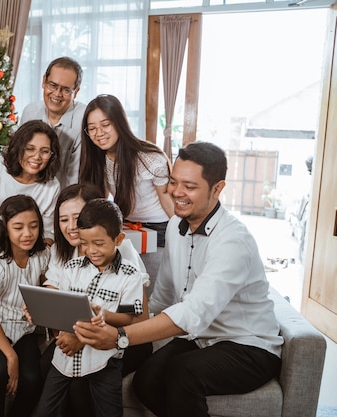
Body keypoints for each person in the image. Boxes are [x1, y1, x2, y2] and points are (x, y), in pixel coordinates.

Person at [74, 142, 284, 417]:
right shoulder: (175, 225)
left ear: (217, 189)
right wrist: (114, 315)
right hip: (200, 339)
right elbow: (162, 297)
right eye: (173, 182)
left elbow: (192, 312)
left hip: (248, 345)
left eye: (190, 186)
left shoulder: (233, 241)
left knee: (182, 376)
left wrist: (119, 337)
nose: (176, 192)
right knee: (145, 382)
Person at [40, 183, 153, 417]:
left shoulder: (123, 257)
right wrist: (41, 308)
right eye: (63, 220)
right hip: (80, 330)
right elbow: (55, 292)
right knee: (46, 367)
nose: (71, 227)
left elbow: (137, 318)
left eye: (78, 218)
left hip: (127, 337)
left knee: (81, 383)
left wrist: (83, 337)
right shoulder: (66, 255)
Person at [0, 195, 51, 417]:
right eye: (18, 227)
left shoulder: (42, 255)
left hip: (23, 329)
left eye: (33, 226)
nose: (27, 234)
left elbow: (47, 285)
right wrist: (11, 356)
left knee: (34, 379)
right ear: (5, 228)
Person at [79, 94, 174, 247]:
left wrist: (183, 236)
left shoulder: (150, 157)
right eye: (92, 128)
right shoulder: (97, 159)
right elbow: (100, 199)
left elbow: (167, 200)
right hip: (125, 225)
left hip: (160, 228)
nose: (99, 133)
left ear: (119, 122)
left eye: (105, 124)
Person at [0, 119, 62, 242]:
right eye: (30, 149)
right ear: (18, 148)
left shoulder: (52, 187)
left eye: (45, 151)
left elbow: (47, 233)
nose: (37, 157)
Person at [19, 57, 85, 189]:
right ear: (44, 81)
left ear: (76, 92)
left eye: (66, 90)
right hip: (29, 191)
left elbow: (75, 179)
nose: (57, 94)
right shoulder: (30, 112)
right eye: (52, 85)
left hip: (64, 197)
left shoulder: (83, 120)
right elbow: (18, 157)